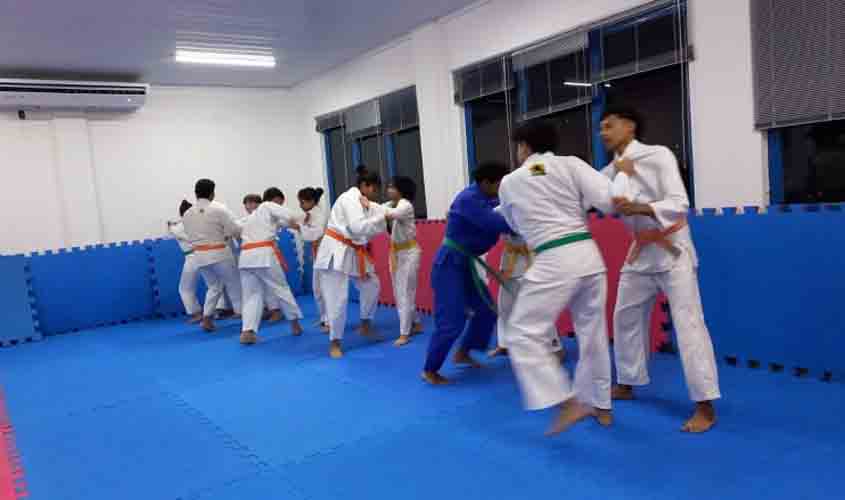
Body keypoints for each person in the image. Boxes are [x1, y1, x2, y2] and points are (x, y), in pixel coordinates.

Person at [498, 121, 630, 435]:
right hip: (588, 256)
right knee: (593, 334)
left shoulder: (511, 181)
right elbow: (610, 202)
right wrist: (623, 173)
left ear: (524, 146)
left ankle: (566, 401)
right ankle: (601, 405)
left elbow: (515, 226)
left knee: (522, 333)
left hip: (553, 259)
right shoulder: (571, 164)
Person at [599, 107, 720, 433]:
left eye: (609, 125)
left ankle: (705, 405)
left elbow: (680, 203)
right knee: (624, 316)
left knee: (688, 324)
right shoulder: (609, 171)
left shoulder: (658, 156)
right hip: (640, 253)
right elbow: (599, 200)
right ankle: (627, 382)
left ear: (630, 126)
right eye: (601, 127)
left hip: (672, 250)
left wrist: (641, 207)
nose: (603, 132)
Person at [421, 162, 513, 385]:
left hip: (465, 264)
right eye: (499, 184)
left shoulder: (488, 198)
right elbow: (496, 223)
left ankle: (463, 352)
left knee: (487, 311)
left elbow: (504, 208)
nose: (502, 189)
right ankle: (430, 369)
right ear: (486, 183)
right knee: (452, 320)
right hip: (449, 265)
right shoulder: (468, 199)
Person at [314, 166, 388, 359]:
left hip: (353, 250)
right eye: (374, 190)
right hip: (336, 250)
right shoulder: (350, 199)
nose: (375, 195)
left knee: (372, 284)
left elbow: (378, 213)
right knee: (337, 298)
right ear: (365, 185)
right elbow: (357, 227)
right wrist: (382, 219)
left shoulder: (362, 201)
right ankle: (335, 342)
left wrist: (385, 213)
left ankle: (365, 324)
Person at [238, 187, 304, 344]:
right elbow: (289, 216)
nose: (280, 206)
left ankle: (248, 331)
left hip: (245, 258)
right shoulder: (267, 206)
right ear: (274, 200)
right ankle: (294, 324)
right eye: (279, 203)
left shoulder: (251, 218)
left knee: (251, 295)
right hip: (263, 255)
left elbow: (283, 222)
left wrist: (293, 225)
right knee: (281, 288)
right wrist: (304, 218)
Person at [487, 232, 566, 361]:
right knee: (505, 308)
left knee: (538, 309)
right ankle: (505, 344)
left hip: (530, 260)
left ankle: (555, 347)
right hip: (510, 262)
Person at [181, 179, 244, 332]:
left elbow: (188, 234)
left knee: (214, 287)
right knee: (234, 283)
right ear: (212, 193)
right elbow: (234, 230)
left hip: (199, 256)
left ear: (196, 193)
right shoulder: (219, 209)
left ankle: (207, 318)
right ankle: (244, 317)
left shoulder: (187, 214)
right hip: (219, 253)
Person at [383, 176, 424, 347]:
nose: (388, 190)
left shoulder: (405, 205)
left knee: (404, 292)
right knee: (400, 291)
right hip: (396, 253)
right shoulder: (392, 204)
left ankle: (404, 333)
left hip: (409, 253)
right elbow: (382, 210)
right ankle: (416, 323)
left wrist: (369, 205)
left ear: (401, 190)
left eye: (392, 187)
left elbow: (391, 214)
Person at [298, 187, 329, 333]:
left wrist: (300, 227)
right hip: (319, 254)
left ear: (311, 201)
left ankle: (329, 321)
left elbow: (314, 235)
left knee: (325, 289)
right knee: (317, 289)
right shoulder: (311, 214)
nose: (300, 205)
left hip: (326, 255)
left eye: (302, 202)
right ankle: (323, 318)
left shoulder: (319, 214)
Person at [166, 200, 202, 324]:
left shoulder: (179, 227)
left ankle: (196, 313)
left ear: (181, 214)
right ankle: (218, 309)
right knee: (214, 284)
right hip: (205, 255)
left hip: (192, 258)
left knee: (185, 288)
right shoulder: (199, 224)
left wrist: (171, 224)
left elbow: (171, 229)